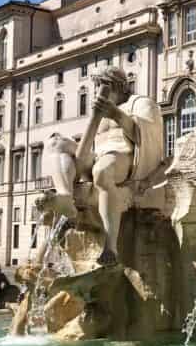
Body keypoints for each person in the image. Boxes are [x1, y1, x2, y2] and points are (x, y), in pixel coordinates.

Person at [43, 67, 162, 265]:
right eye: (96, 86)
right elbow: (86, 148)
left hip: (125, 156)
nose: (97, 90)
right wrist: (96, 118)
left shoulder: (141, 103)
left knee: (102, 171)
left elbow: (148, 136)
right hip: (98, 155)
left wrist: (115, 114)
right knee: (55, 142)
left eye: (102, 85)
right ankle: (64, 196)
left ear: (119, 86)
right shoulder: (100, 112)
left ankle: (110, 247)